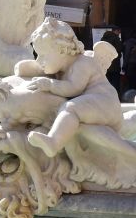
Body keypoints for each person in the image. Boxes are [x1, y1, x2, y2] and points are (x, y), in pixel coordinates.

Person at [22, 19, 124, 158]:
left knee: (70, 107)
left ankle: (54, 142)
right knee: (71, 108)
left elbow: (73, 88)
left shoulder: (82, 63)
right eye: (37, 55)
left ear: (62, 50)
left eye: (43, 55)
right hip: (97, 105)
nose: (39, 60)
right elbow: (39, 68)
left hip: (106, 104)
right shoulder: (63, 68)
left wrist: (50, 84)